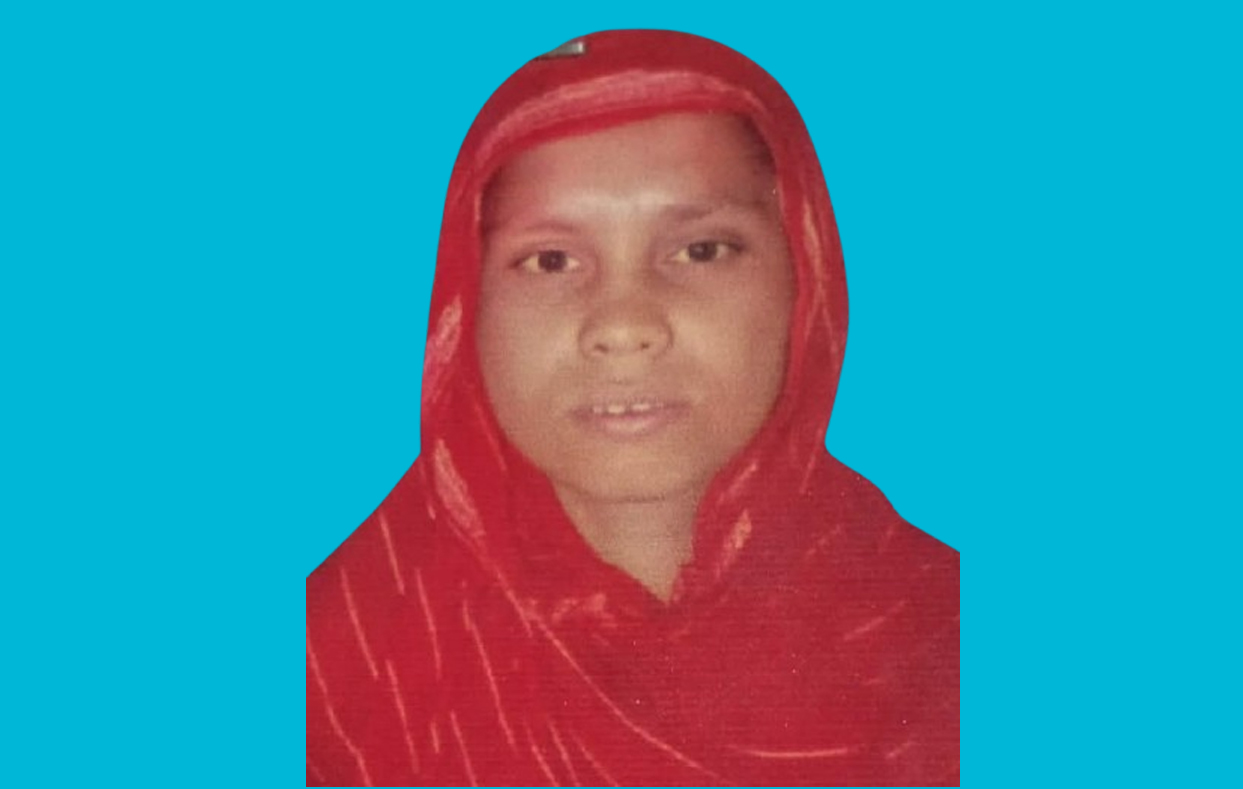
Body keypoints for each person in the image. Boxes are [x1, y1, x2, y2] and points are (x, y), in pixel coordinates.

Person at [306, 30, 959, 787]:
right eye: (551, 260)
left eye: (701, 250)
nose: (622, 325)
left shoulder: (944, 637)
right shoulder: (334, 671)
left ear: (804, 275)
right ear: (466, 304)